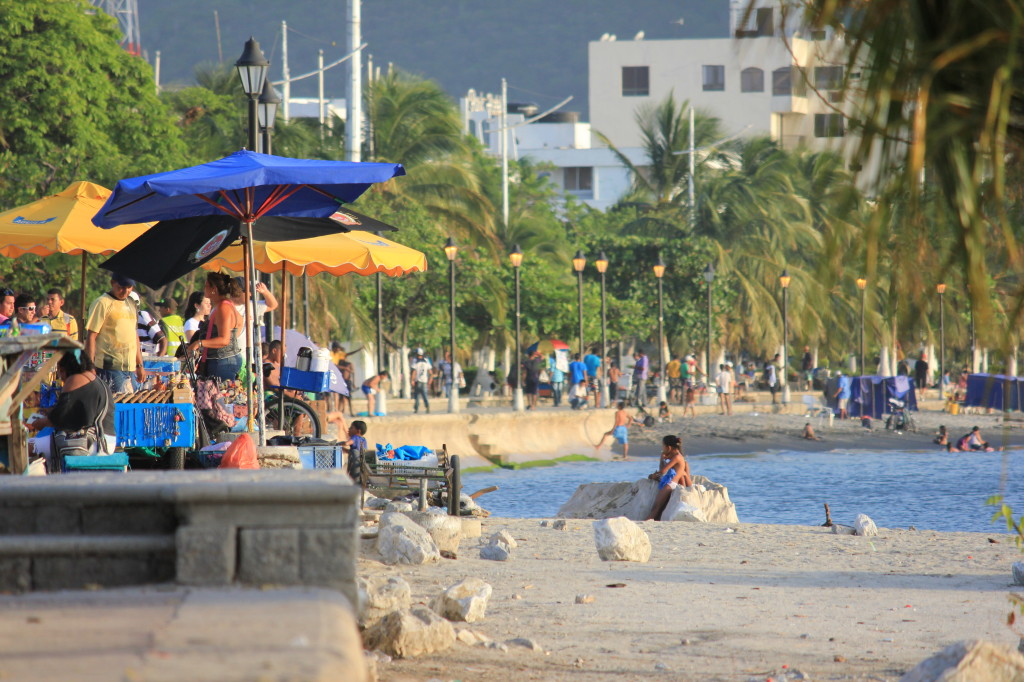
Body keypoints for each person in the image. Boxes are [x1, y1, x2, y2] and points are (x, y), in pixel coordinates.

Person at [28, 350, 116, 472]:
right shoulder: (93, 379)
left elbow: (60, 418)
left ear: (66, 367)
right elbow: (76, 412)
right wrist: (49, 411)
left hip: (94, 443)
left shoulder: (76, 378)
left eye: (60, 370)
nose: (60, 375)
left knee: (27, 447)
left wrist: (40, 423)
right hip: (106, 441)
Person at [85, 273, 146, 393]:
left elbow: (134, 336)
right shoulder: (102, 303)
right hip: (110, 367)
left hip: (130, 367)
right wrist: (90, 366)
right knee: (116, 405)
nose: (125, 291)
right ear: (112, 283)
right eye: (122, 287)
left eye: (129, 287)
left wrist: (139, 365)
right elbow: (91, 336)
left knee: (130, 404)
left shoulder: (131, 304)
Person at [185, 273, 243, 381]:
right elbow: (240, 323)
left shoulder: (223, 307)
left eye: (206, 285)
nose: (204, 288)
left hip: (222, 361)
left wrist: (199, 343)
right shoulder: (224, 305)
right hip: (222, 360)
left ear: (213, 289)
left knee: (217, 395)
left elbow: (224, 340)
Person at [645, 435, 692, 521]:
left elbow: (663, 471)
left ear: (668, 447)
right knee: (659, 509)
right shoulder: (677, 456)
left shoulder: (677, 457)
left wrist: (652, 476)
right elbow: (662, 470)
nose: (662, 448)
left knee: (656, 508)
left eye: (663, 446)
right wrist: (662, 460)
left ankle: (646, 522)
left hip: (670, 484)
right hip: (670, 483)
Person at [231, 278, 278, 349]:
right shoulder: (225, 308)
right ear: (237, 292)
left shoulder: (250, 306)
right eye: (248, 291)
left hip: (248, 356)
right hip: (230, 355)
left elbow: (273, 305)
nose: (250, 294)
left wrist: (265, 292)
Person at [129, 291, 167, 357]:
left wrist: (158, 360)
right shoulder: (121, 320)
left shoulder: (143, 316)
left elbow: (163, 340)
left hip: (148, 360)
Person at [411, 348, 431, 414]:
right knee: (424, 395)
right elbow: (430, 371)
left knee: (416, 395)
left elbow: (414, 371)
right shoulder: (426, 360)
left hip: (418, 381)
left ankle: (416, 409)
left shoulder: (415, 361)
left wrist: (412, 380)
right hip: (424, 380)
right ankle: (427, 406)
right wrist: (430, 379)